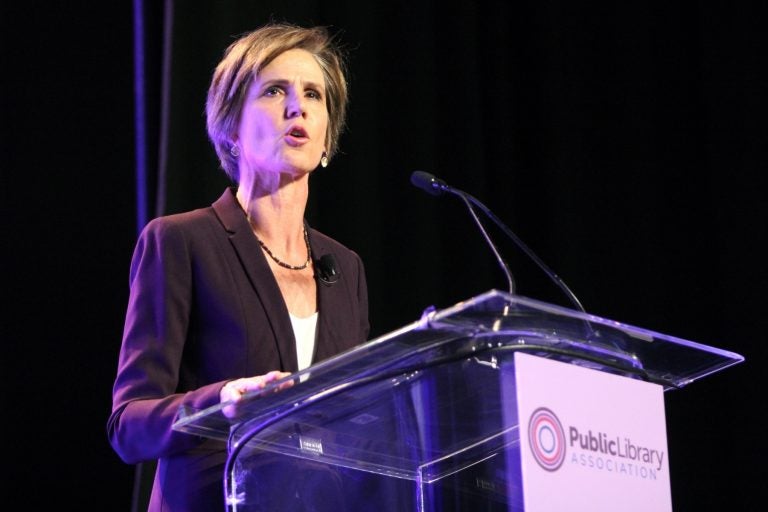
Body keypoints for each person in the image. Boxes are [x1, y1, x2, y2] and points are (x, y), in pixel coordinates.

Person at [107, 23, 369, 511]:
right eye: (274, 90)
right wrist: (222, 401)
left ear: (327, 137)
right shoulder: (182, 242)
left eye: (314, 94)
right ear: (230, 125)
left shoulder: (345, 269)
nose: (299, 108)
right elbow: (128, 426)